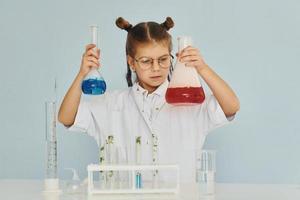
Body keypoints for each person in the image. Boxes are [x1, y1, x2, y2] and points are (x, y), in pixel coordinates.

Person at [58, 17, 240, 182]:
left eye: (163, 59)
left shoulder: (189, 101)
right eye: (146, 61)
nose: (156, 68)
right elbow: (66, 117)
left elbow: (231, 106)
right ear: (131, 62)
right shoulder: (112, 104)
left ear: (173, 58)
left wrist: (202, 68)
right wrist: (82, 73)